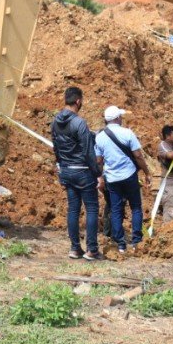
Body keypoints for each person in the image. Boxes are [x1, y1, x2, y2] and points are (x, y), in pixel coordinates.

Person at [51, 86, 104, 260]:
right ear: (78, 101)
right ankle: (92, 250)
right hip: (82, 172)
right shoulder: (79, 123)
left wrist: (61, 168)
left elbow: (56, 148)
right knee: (91, 208)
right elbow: (89, 152)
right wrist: (98, 173)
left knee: (73, 209)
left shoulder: (55, 122)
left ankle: (75, 248)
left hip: (66, 170)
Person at [94, 106, 152, 253]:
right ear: (117, 118)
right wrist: (147, 172)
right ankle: (136, 241)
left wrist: (99, 177)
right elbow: (138, 155)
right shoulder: (127, 133)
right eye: (120, 116)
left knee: (116, 209)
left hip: (112, 178)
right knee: (136, 208)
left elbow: (99, 161)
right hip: (129, 175)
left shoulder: (100, 137)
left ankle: (120, 244)